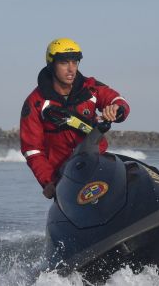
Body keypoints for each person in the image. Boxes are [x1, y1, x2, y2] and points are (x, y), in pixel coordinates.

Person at [20, 38, 131, 198]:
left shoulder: (91, 88)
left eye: (75, 62)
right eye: (64, 63)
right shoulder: (34, 103)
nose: (71, 69)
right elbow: (32, 150)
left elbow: (118, 100)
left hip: (97, 164)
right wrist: (48, 181)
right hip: (65, 178)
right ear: (51, 64)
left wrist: (117, 109)